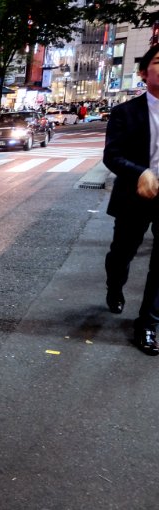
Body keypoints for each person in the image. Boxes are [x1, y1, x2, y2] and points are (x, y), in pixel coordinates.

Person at [103, 43, 159, 356]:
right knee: (122, 253)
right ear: (143, 72)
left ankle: (148, 324)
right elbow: (112, 156)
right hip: (134, 195)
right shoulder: (125, 112)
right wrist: (140, 173)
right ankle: (114, 286)